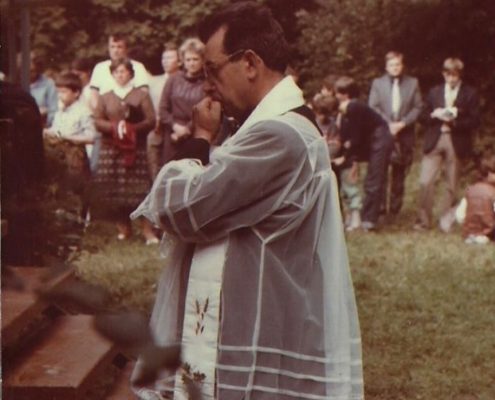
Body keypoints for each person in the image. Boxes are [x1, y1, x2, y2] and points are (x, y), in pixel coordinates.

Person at [131, 2, 363, 399]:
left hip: (256, 325)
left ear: (250, 63)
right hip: (264, 316)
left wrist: (200, 139)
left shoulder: (279, 136)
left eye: (213, 70)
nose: (207, 85)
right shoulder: (284, 127)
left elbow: (180, 208)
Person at [92, 59, 158, 244]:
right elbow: (97, 121)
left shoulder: (141, 95)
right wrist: (115, 127)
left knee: (140, 189)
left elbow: (151, 120)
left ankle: (147, 231)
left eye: (123, 71)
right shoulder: (105, 97)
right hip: (112, 149)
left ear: (130, 73)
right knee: (116, 190)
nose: (120, 75)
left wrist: (131, 129)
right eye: (117, 72)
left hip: (135, 148)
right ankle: (123, 228)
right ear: (112, 75)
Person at [415, 57, 480, 230]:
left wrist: (454, 121)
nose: (451, 79)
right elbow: (422, 116)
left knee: (451, 183)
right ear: (443, 74)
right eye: (448, 75)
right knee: (425, 181)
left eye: (454, 75)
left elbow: (475, 121)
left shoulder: (470, 93)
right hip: (435, 139)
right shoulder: (434, 92)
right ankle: (423, 221)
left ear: (460, 75)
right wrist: (434, 115)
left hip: (456, 140)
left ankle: (445, 220)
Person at [335, 76, 394, 231]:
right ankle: (371, 214)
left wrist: (345, 157)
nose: (336, 96)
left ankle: (369, 220)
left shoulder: (353, 107)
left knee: (374, 179)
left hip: (380, 138)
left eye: (337, 93)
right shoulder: (351, 107)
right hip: (374, 139)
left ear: (345, 94)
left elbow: (355, 138)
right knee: (373, 179)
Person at [369, 51, 422, 217]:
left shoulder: (413, 83)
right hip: (384, 132)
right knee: (382, 171)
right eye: (392, 65)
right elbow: (373, 106)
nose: (395, 68)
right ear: (386, 67)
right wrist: (389, 124)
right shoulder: (378, 83)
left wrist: (403, 123)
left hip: (404, 133)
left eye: (398, 64)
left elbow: (418, 107)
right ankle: (380, 206)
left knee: (399, 172)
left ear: (402, 65)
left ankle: (395, 208)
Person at [43, 72, 97, 218]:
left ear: (76, 93)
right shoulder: (60, 111)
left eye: (64, 92)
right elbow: (56, 129)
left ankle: (80, 220)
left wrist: (68, 137)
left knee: (76, 193)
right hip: (59, 156)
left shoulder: (83, 112)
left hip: (75, 157)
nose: (60, 96)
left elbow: (92, 137)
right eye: (58, 92)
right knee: (61, 191)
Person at [158, 38, 206, 164]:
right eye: (188, 60)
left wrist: (186, 129)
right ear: (183, 61)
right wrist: (175, 126)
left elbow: (205, 111)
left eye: (195, 59)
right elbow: (162, 109)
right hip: (172, 133)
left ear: (202, 60)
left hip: (196, 134)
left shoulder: (207, 83)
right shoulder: (173, 80)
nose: (191, 63)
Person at [89, 33, 150, 110]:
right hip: (105, 111)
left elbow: (144, 92)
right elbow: (94, 94)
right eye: (112, 47)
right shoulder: (100, 68)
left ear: (126, 49)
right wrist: (99, 111)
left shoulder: (137, 67)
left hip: (132, 111)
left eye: (119, 47)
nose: (115, 50)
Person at [147, 43, 181, 179]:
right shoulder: (153, 82)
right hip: (156, 129)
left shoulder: (183, 81)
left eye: (170, 58)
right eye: (164, 58)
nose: (165, 61)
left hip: (175, 129)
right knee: (154, 166)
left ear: (179, 61)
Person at [455, 153, 495, 244]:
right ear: (490, 174)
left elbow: (459, 216)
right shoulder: (493, 192)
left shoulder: (470, 190)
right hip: (488, 232)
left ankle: (474, 235)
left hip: (469, 233)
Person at [28, 53, 58, 127]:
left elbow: (54, 109)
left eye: (32, 71)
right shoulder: (16, 83)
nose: (29, 73)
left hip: (41, 125)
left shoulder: (48, 84)